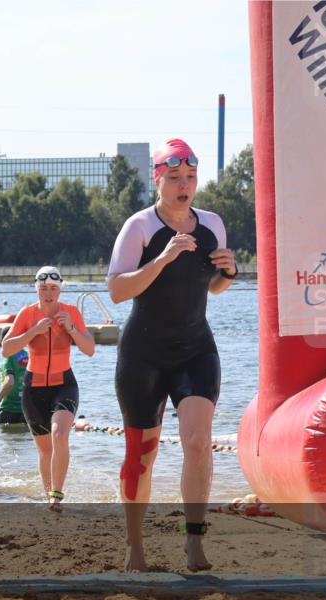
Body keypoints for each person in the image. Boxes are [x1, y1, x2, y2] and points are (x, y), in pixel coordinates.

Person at [107, 138, 237, 573]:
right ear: (158, 179)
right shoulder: (140, 227)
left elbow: (213, 286)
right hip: (143, 355)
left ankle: (195, 542)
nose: (185, 185)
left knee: (198, 442)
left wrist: (230, 272)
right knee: (141, 455)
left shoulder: (213, 225)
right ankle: (134, 546)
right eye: (176, 177)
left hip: (196, 349)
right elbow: (118, 290)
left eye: (191, 177)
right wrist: (161, 259)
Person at [1, 267, 95, 512]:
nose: (48, 293)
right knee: (44, 450)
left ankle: (56, 495)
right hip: (34, 389)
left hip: (64, 384)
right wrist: (33, 331)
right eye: (43, 288)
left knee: (59, 435)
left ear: (60, 289)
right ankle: (49, 498)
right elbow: (6, 349)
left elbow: (90, 349)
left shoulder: (71, 312)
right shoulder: (27, 314)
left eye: (53, 288)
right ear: (36, 289)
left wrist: (72, 329)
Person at [0, 349, 28, 426]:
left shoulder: (7, 357)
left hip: (9, 409)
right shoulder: (28, 354)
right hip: (27, 411)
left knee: (6, 436)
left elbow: (10, 382)